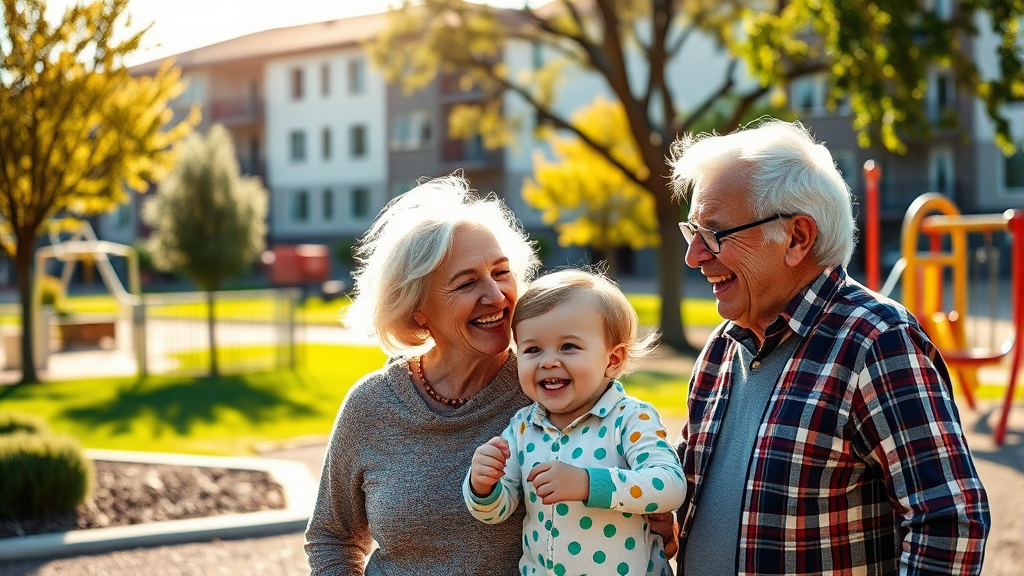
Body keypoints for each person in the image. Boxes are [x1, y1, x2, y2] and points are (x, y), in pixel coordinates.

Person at [668, 119, 990, 575]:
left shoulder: (876, 342)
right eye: (692, 232)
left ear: (798, 237)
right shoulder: (721, 351)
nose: (694, 255)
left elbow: (948, 522)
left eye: (715, 234)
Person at [304, 175, 540, 575]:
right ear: (418, 310)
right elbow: (332, 537)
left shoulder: (548, 389)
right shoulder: (372, 405)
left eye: (501, 272)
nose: (497, 296)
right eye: (467, 283)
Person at [464, 268, 685, 576]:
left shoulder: (629, 418)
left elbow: (669, 486)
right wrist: (483, 485)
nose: (548, 361)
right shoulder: (523, 427)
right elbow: (498, 512)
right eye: (532, 349)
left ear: (613, 359)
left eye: (569, 346)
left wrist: (587, 483)